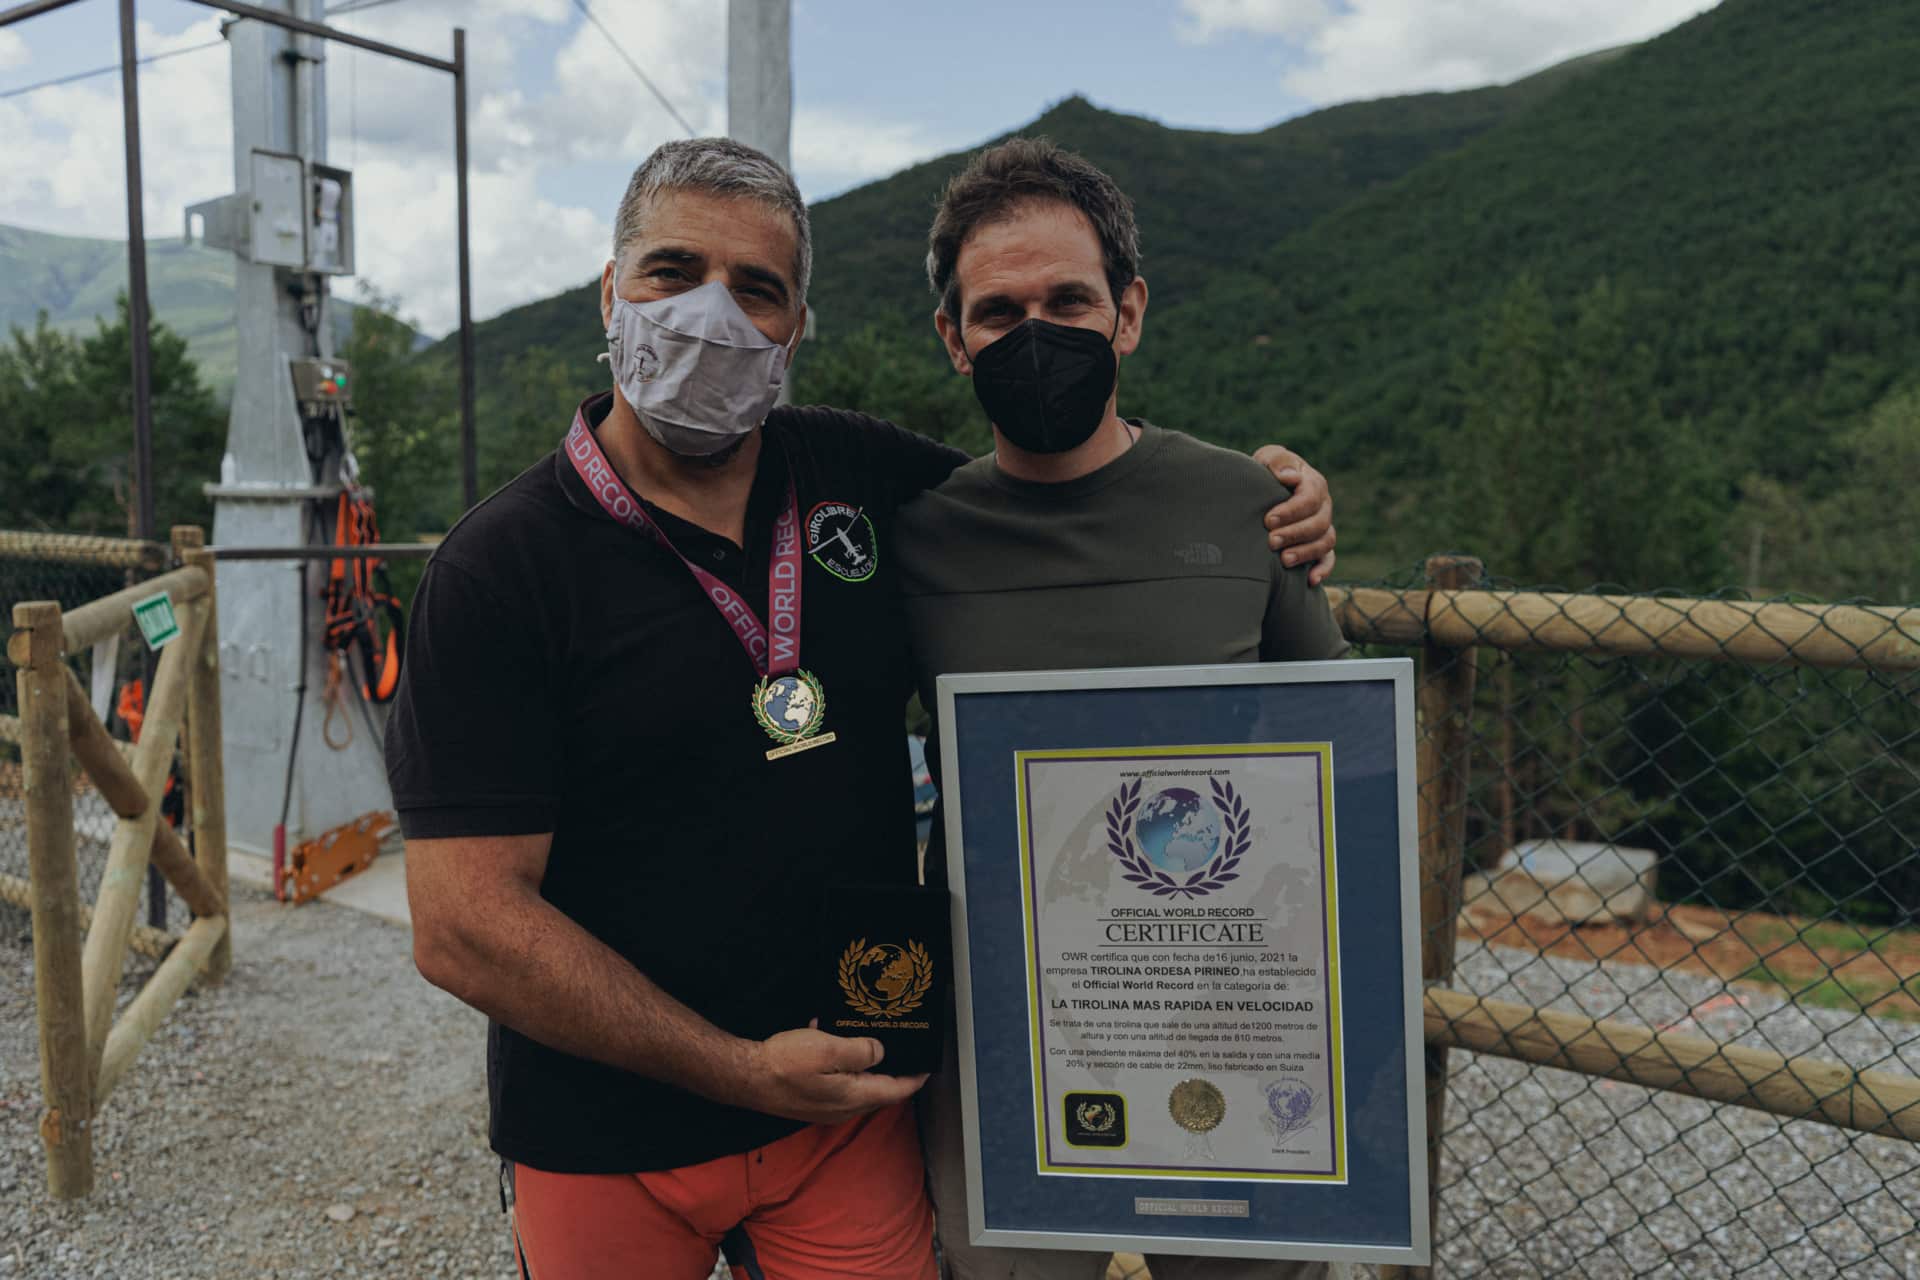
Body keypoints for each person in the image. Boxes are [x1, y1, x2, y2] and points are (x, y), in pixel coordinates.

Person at [388, 137, 1338, 1280]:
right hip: (603, 1133)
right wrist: (741, 1069)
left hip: (847, 1119)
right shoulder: (499, 567)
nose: (710, 314)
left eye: (756, 288)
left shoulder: (862, 478)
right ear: (610, 291)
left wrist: (1269, 501)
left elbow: (1061, 501)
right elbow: (462, 922)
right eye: (672, 271)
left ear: (794, 326)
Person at [899, 138, 1349, 1280]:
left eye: (1068, 301)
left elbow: (1347, 764)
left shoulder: (1248, 507)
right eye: (999, 313)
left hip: (1232, 1030)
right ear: (954, 338)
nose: (1035, 334)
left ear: (1128, 312)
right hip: (999, 1036)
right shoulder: (916, 534)